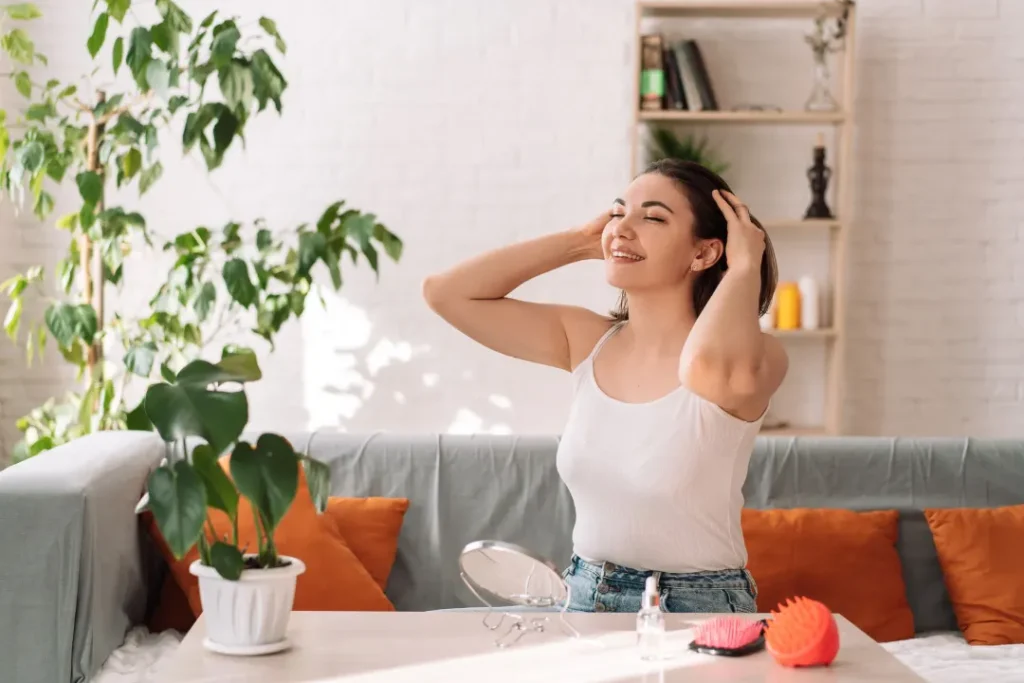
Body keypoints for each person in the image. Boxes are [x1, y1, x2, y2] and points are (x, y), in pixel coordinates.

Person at [422, 159, 787, 613]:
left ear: (704, 253)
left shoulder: (761, 356)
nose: (623, 228)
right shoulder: (586, 340)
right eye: (618, 213)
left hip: (697, 605)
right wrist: (580, 243)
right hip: (583, 592)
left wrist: (743, 267)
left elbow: (702, 369)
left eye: (652, 217)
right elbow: (446, 294)